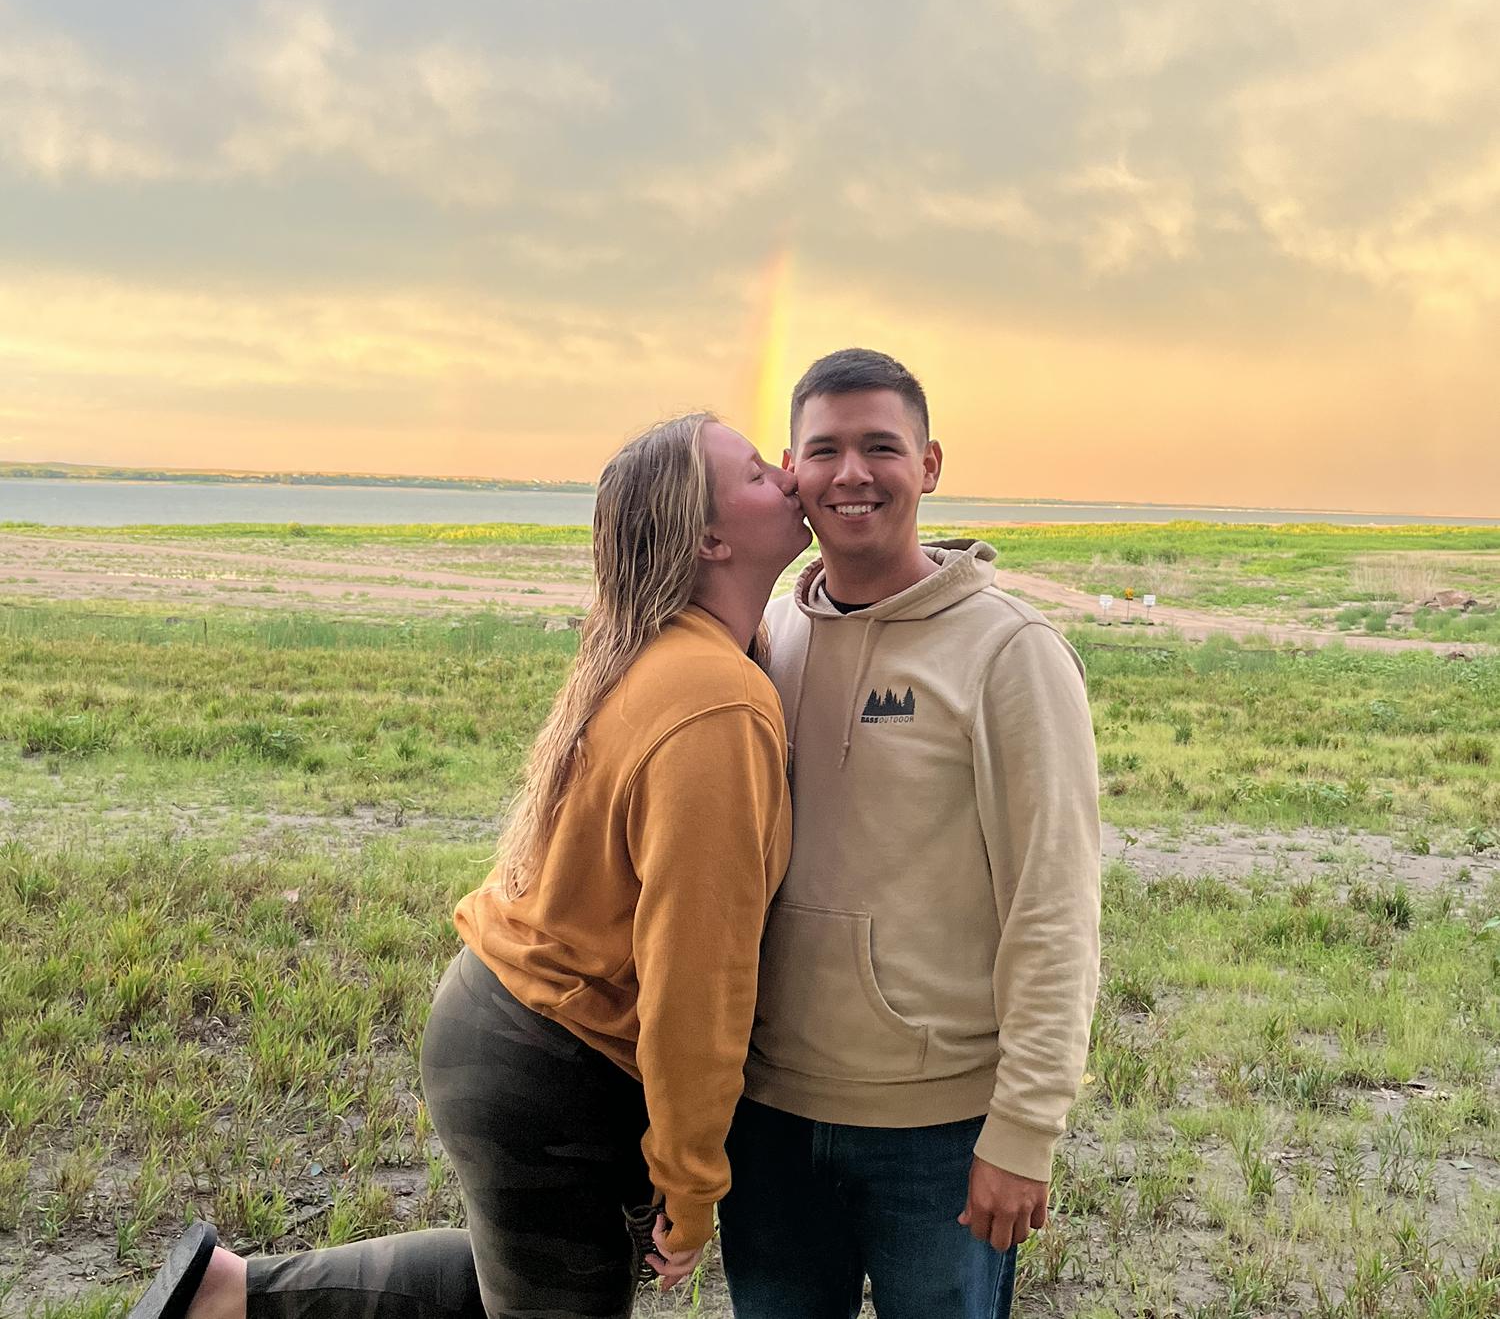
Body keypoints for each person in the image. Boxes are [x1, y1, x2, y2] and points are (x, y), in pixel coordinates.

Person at [130, 413, 812, 1319]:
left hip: (505, 1037)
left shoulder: (679, 654)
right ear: (710, 537)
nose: (794, 477)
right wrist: (690, 1184)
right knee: (549, 1291)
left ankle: (230, 1296)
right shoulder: (715, 701)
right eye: (762, 472)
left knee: (527, 1276)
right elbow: (700, 971)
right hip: (550, 1072)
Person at [718, 350, 1102, 1319]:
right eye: (826, 451)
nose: (853, 474)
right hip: (768, 1120)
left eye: (881, 447)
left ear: (929, 465)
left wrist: (1025, 1130)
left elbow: (1054, 910)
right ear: (793, 476)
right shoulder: (770, 636)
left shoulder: (1011, 654)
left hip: (938, 1132)